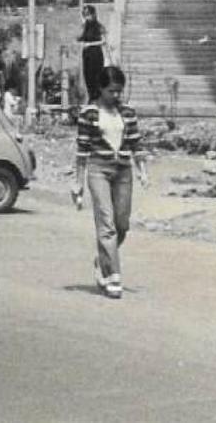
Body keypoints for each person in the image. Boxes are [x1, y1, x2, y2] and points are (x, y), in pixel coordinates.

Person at [73, 65, 147, 298]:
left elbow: (136, 143)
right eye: (111, 91)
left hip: (123, 170)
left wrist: (142, 170)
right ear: (101, 89)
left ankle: (102, 259)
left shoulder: (128, 113)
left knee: (121, 224)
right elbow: (82, 150)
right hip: (98, 170)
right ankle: (113, 275)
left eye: (119, 91)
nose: (116, 96)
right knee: (106, 223)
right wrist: (78, 183)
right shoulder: (89, 113)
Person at [77, 4, 109, 105]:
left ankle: (97, 98)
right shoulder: (85, 27)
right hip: (86, 54)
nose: (87, 17)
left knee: (96, 76)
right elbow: (78, 37)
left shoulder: (99, 26)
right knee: (87, 76)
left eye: (88, 15)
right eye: (85, 15)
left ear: (93, 14)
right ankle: (91, 97)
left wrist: (90, 44)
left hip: (96, 54)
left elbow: (104, 41)